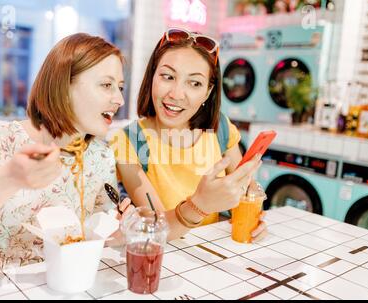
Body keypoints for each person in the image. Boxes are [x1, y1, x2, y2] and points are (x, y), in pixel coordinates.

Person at [0, 33, 133, 279]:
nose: (120, 99)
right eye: (106, 85)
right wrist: (7, 179)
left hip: (62, 284)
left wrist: (118, 232)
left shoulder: (100, 155)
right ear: (63, 85)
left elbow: (91, 236)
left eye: (120, 87)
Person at [110, 28, 266, 241]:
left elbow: (245, 191)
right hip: (164, 261)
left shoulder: (220, 128)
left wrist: (254, 215)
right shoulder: (130, 140)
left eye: (194, 83)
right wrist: (201, 204)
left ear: (208, 92)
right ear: (152, 76)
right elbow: (157, 228)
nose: (176, 94)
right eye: (168, 76)